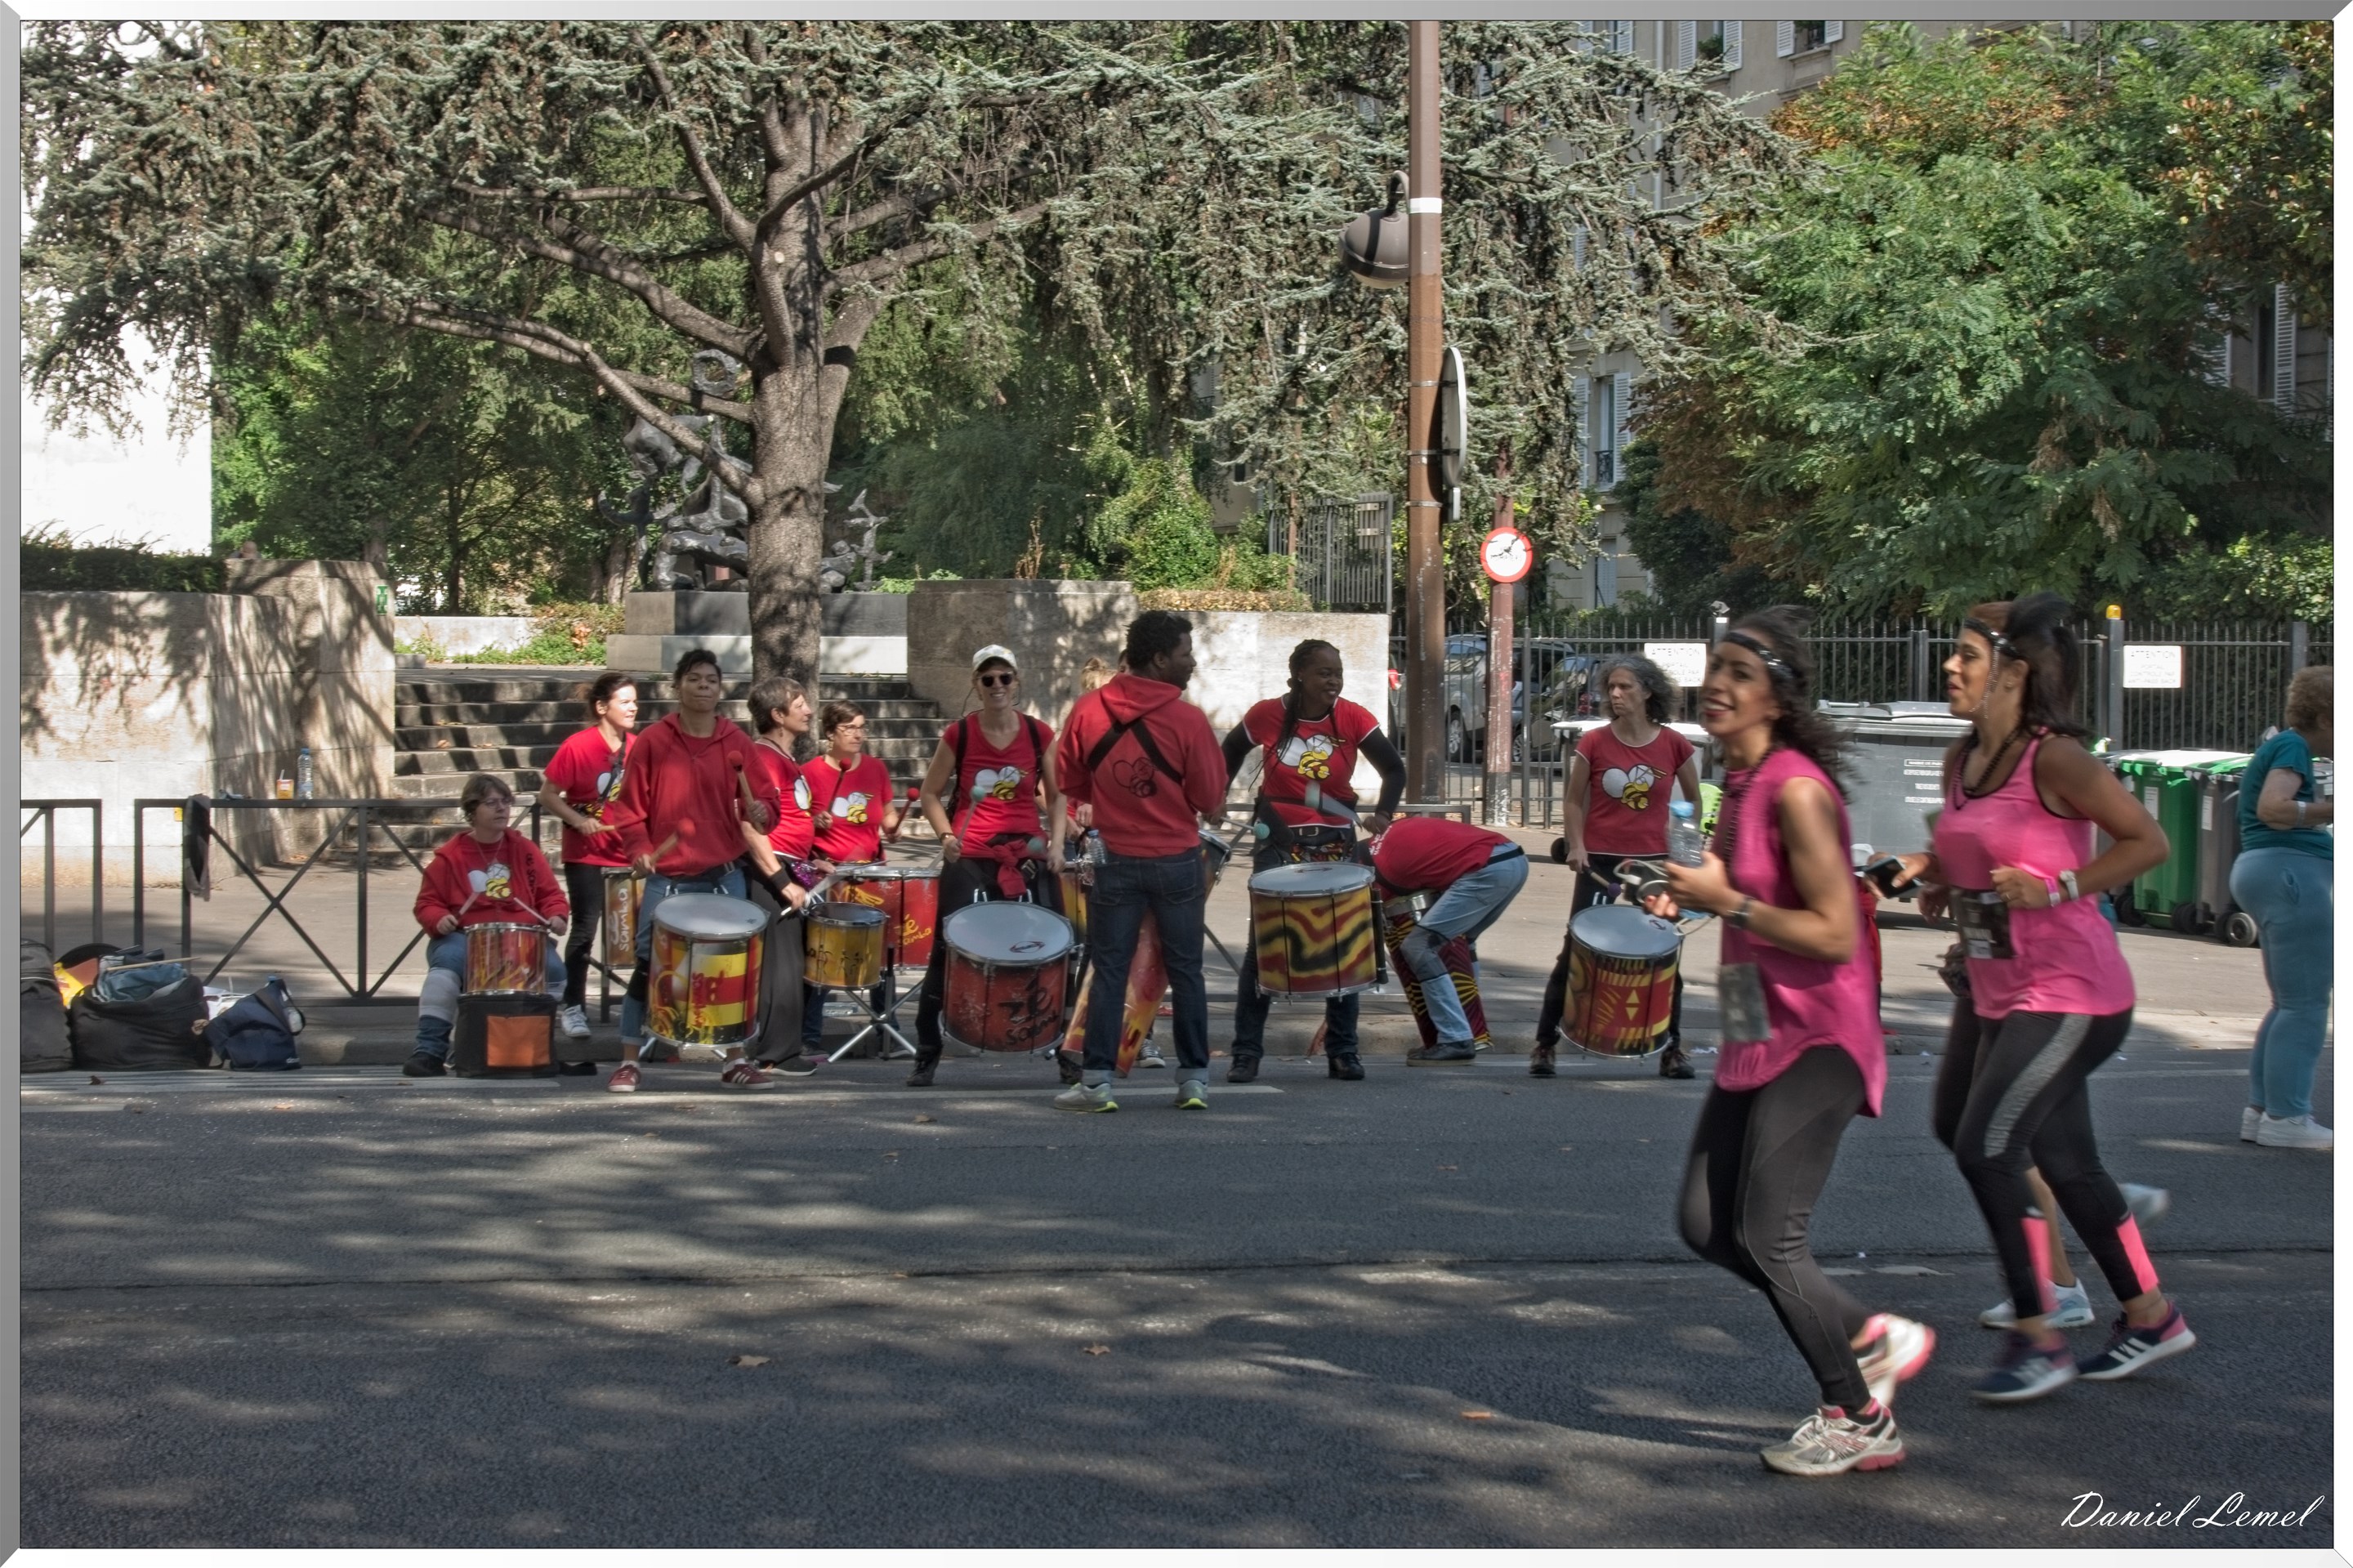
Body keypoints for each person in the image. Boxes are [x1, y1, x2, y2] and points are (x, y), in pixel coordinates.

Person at [1643, 609, 1932, 1477]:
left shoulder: (1798, 787)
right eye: (1713, 667)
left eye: (1739, 670)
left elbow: (1839, 930)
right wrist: (1688, 895)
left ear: (1778, 693)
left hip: (1822, 1033)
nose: (1717, 683)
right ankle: (1867, 1333)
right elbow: (1735, 888)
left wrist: (1724, 902)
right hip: (1757, 1023)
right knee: (1705, 1222)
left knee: (1770, 1234)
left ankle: (1856, 1413)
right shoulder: (1737, 780)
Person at [1895, 594, 2190, 1404]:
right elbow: (1978, 853)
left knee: (1989, 1146)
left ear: (2015, 674)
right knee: (2037, 1151)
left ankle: (2041, 1332)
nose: (1950, 667)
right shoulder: (1963, 761)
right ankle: (2151, 1313)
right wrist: (1938, 881)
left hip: (2071, 989)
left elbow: (2148, 841)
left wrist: (2056, 883)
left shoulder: (2054, 758)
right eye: (1951, 655)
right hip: (1996, 983)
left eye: (1966, 655)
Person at [1053, 610, 1228, 1112]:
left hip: (1115, 860)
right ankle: (1193, 1080)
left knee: (1110, 969)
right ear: (1159, 659)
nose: (1191, 663)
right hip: (1177, 860)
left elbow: (1070, 779)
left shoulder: (1087, 710)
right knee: (1187, 969)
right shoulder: (1189, 720)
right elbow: (1209, 795)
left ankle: (1096, 1082)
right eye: (1184, 654)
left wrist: (1110, 803)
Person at [1221, 639, 1406, 1083]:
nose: (1334, 680)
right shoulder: (1265, 713)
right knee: (1263, 946)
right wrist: (1215, 796)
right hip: (1277, 839)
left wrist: (1383, 812)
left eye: (1338, 672)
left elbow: (1394, 769)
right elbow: (1227, 752)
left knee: (1343, 945)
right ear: (1300, 675)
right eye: (1324, 672)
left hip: (1336, 840)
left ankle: (1343, 1051)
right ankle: (1246, 1053)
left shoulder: (1354, 717)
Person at [601, 647, 776, 1093]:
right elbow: (628, 810)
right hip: (668, 878)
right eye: (694, 679)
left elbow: (768, 806)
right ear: (677, 686)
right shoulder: (655, 742)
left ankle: (734, 1059)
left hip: (723, 874)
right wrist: (639, 849)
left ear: (720, 689)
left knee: (731, 969)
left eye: (711, 681)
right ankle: (628, 1060)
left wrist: (762, 810)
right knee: (649, 965)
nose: (703, 687)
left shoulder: (736, 742)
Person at [1533, 654, 1704, 1079]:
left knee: (1665, 953)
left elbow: (1693, 802)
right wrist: (1577, 845)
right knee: (1576, 949)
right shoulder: (1593, 743)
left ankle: (1672, 1049)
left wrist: (1684, 853)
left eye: (1625, 686)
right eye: (1611, 686)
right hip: (1601, 860)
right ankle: (1545, 1044)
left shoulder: (1673, 744)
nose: (1615, 694)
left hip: (1653, 865)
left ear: (1648, 691)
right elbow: (1573, 801)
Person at [907, 646, 1069, 1088]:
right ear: (975, 685)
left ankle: (1068, 1053)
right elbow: (929, 794)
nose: (997, 686)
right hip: (972, 853)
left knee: (1058, 947)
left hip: (1027, 854)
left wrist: (1056, 844)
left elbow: (1057, 796)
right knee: (947, 950)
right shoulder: (959, 734)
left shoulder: (1039, 734)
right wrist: (946, 837)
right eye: (987, 679)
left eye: (1004, 678)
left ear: (1016, 682)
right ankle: (927, 1053)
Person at [407, 773, 569, 1077]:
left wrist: (557, 915)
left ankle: (530, 1043)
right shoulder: (450, 858)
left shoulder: (525, 851)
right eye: (491, 803)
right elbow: (426, 904)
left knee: (556, 971)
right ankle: (429, 1050)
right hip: (465, 937)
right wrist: (438, 919)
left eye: (506, 802)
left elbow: (550, 895)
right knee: (445, 968)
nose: (502, 809)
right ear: (472, 811)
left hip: (518, 937)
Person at [2231, 663, 2333, 1148]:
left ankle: (2262, 1110)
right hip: (2292, 872)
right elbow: (2275, 809)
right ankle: (2286, 1118)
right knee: (2307, 1003)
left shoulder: (2283, 745)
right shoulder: (2293, 747)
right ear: (2328, 717)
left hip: (2266, 869)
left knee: (2289, 1002)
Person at [1372, 815, 1529, 1063]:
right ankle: (1471, 1029)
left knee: (1417, 947)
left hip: (1485, 869)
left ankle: (1455, 1037)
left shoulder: (1377, 874)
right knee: (1462, 939)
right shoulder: (1389, 837)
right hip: (1512, 858)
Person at [535, 670, 637, 1052]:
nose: (633, 708)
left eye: (634, 701)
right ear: (601, 707)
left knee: (639, 933)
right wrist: (579, 821)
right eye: (624, 701)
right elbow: (548, 794)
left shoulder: (639, 747)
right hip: (587, 853)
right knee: (586, 928)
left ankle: (639, 1008)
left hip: (629, 853)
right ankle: (574, 1005)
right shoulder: (578, 747)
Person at [797, 699, 904, 1058]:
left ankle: (888, 1033)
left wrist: (892, 827)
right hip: (829, 876)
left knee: (880, 955)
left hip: (870, 874)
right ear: (830, 734)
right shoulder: (810, 772)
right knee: (827, 956)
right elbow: (795, 823)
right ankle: (809, 1036)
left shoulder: (875, 769)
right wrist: (814, 822)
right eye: (849, 728)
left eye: (862, 727)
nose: (858, 734)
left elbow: (887, 812)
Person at [739, 675, 821, 1078]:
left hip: (791, 866)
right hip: (773, 872)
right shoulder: (763, 759)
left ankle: (783, 1048)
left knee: (789, 964)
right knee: (780, 967)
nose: (808, 710)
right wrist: (779, 880)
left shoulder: (783, 758)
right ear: (778, 714)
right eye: (800, 703)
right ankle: (776, 1053)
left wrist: (813, 860)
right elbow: (751, 826)